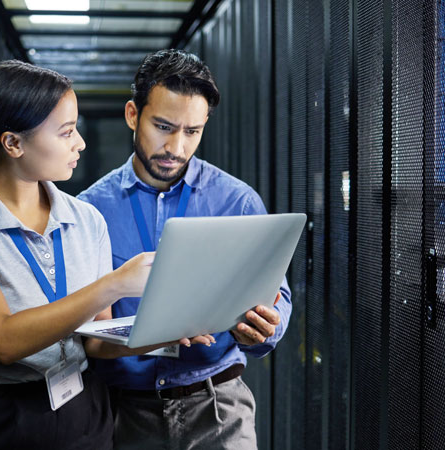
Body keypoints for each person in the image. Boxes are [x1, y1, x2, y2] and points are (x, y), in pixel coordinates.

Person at [0, 60, 212, 450]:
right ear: (13, 143)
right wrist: (114, 284)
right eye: (66, 132)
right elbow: (3, 339)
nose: (81, 143)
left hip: (83, 412)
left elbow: (95, 341)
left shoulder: (86, 219)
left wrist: (162, 332)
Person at [77, 49, 292, 450]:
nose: (176, 146)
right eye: (163, 126)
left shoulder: (238, 203)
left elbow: (276, 298)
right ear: (131, 115)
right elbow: (81, 325)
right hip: (121, 414)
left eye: (192, 131)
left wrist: (266, 326)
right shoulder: (90, 210)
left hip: (218, 409)